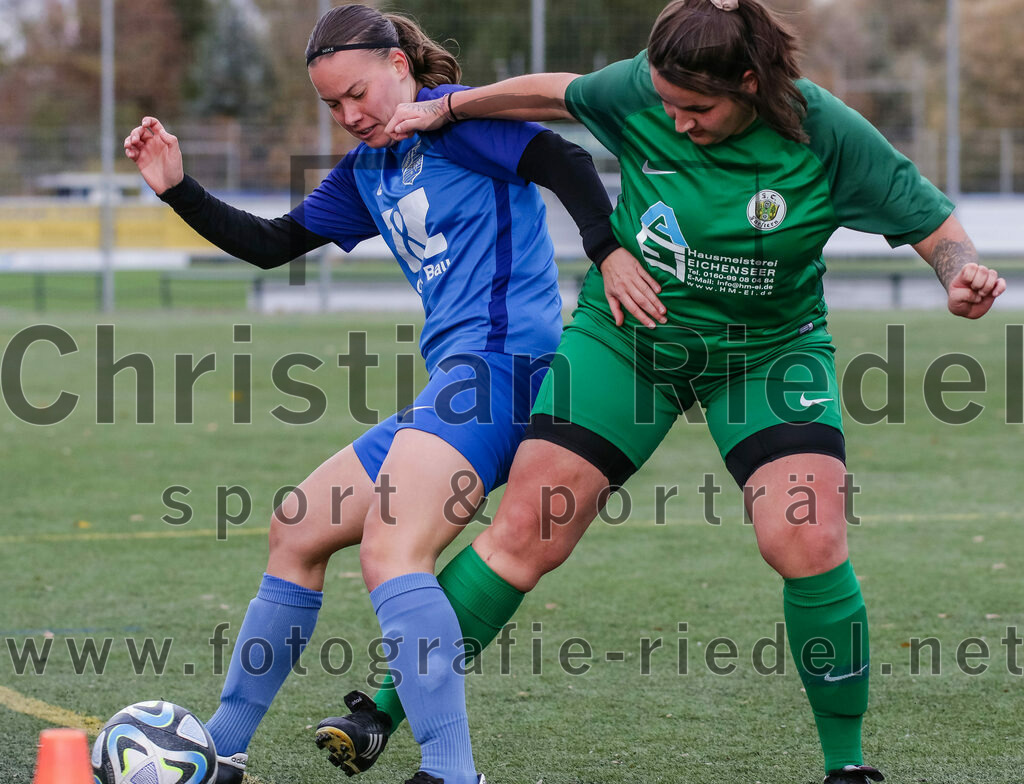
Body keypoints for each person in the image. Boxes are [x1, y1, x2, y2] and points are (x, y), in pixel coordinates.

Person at [324, 1, 1007, 782]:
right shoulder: (645, 88)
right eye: (666, 105)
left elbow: (934, 225)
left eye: (698, 109)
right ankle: (379, 708)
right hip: (628, 338)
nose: (676, 123)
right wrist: (445, 106)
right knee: (527, 530)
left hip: (767, 351)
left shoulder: (828, 134)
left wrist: (961, 276)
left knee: (807, 539)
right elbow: (557, 92)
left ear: (751, 83)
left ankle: (846, 768)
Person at [124, 5, 663, 784]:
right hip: (456, 382)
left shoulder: (462, 122)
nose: (348, 115)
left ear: (399, 66)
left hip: (506, 367)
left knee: (390, 550)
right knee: (297, 526)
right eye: (331, 105)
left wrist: (607, 250)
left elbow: (567, 165)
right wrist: (179, 190)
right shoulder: (369, 171)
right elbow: (274, 244)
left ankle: (451, 772)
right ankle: (223, 746)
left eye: (356, 94)